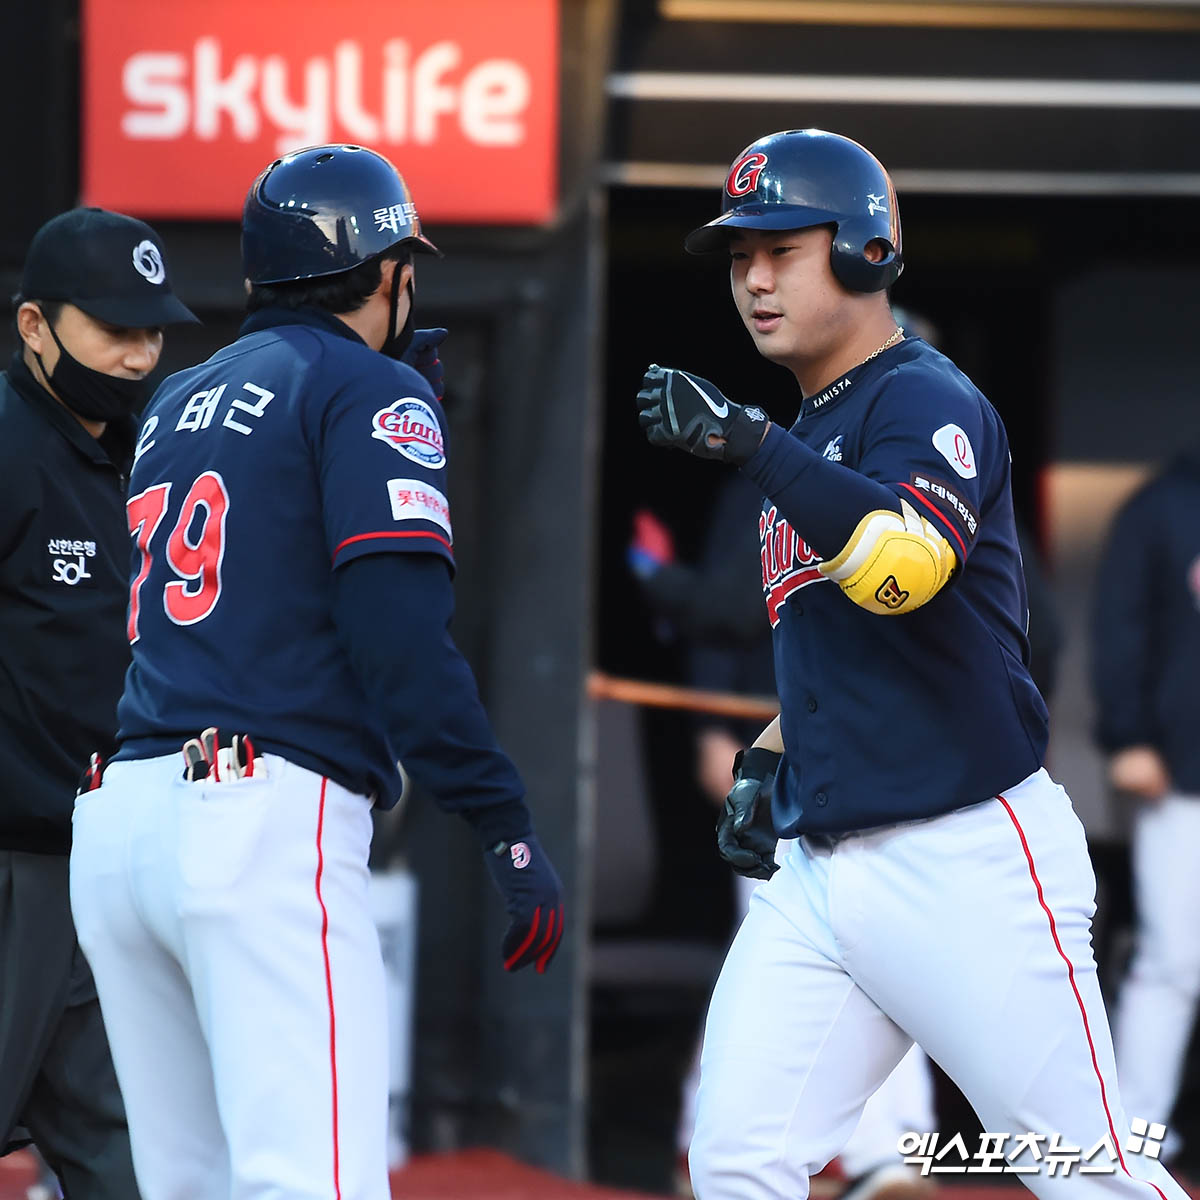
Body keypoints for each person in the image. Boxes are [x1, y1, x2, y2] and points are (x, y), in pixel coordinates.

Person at [634, 127, 1186, 1200]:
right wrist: (769, 754)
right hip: (827, 870)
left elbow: (903, 575)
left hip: (967, 853)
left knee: (1087, 1175)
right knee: (737, 1159)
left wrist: (754, 447)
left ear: (864, 251)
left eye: (780, 249)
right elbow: (846, 645)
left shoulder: (921, 395)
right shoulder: (816, 425)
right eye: (738, 257)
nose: (751, 278)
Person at [68, 144, 565, 1200]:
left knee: (193, 1190)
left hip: (122, 821)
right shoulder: (369, 387)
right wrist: (501, 816)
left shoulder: (176, 398)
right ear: (392, 273)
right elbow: (398, 640)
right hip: (252, 817)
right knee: (315, 1186)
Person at [1, 206, 198, 1197]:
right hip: (13, 869)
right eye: (114, 329)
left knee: (126, 1156)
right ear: (33, 324)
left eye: (152, 331)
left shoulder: (149, 455)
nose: (138, 355)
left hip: (108, 868)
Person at [1093, 441, 1200, 1160]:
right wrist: (1129, 734)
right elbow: (1119, 625)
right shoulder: (1165, 503)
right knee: (1178, 958)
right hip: (1185, 770)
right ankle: (1135, 1132)